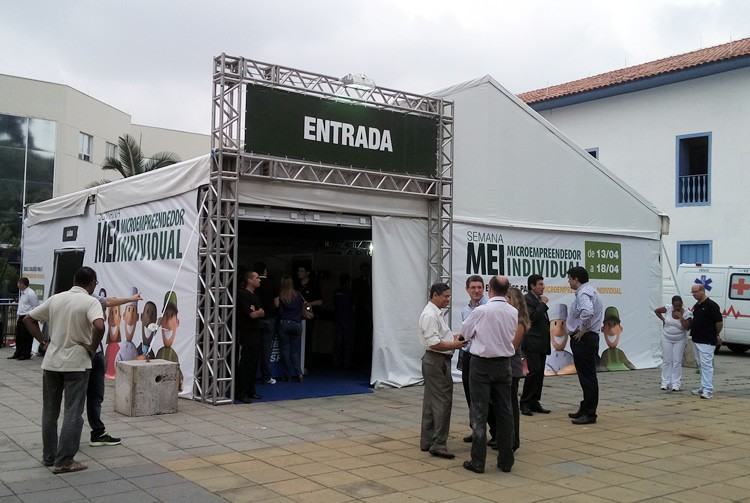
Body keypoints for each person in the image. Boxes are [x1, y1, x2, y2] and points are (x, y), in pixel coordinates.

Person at [23, 267, 105, 474]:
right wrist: (93, 348)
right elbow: (100, 326)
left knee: (49, 412)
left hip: (51, 363)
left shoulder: (56, 299)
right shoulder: (91, 301)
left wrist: (43, 342)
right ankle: (65, 460)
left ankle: (49, 456)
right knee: (73, 412)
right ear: (92, 282)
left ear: (75, 280)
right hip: (77, 363)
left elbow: (28, 319)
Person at [461, 276, 520, 474]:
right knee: (505, 411)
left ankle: (478, 461)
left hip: (481, 364)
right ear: (507, 290)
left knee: (479, 412)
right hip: (504, 364)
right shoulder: (513, 311)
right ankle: (506, 460)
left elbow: (465, 333)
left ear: (489, 289)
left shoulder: (481, 311)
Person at [418, 282, 465, 460]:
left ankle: (428, 440)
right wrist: (455, 344)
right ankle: (439, 444)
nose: (448, 299)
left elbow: (438, 338)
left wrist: (453, 338)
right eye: (445, 296)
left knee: (431, 402)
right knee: (443, 402)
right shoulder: (430, 315)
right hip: (437, 361)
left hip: (434, 361)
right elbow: (434, 343)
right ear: (435, 295)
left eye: (449, 296)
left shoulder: (434, 313)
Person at [87, 291, 140, 448]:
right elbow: (109, 303)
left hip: (94, 353)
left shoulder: (87, 298)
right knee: (80, 399)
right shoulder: (87, 300)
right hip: (86, 354)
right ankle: (70, 440)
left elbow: (110, 301)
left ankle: (97, 432)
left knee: (95, 396)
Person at [566, 266, 604, 425]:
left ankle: (589, 413)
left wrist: (582, 329)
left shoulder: (583, 293)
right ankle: (585, 407)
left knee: (587, 377)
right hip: (588, 338)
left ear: (576, 279)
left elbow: (587, 311)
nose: (568, 281)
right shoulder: (590, 290)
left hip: (585, 339)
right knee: (586, 376)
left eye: (569, 278)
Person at [459, 275, 491, 445]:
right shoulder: (465, 310)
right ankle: (476, 430)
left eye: (479, 287)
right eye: (473, 288)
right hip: (469, 355)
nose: (477, 291)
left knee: (487, 397)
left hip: (484, 357)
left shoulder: (489, 308)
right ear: (467, 290)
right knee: (469, 395)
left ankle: (494, 432)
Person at [684, 284, 723, 399]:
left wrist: (716, 334)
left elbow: (719, 323)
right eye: (692, 292)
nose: (694, 295)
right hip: (697, 338)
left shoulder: (712, 305)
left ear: (702, 291)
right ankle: (702, 386)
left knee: (706, 365)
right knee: (700, 365)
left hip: (707, 340)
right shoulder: (697, 305)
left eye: (695, 292)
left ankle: (708, 390)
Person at [520, 274, 551, 416]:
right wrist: (543, 305)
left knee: (539, 374)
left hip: (542, 343)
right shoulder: (527, 299)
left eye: (542, 284)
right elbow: (531, 318)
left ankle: (534, 401)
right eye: (540, 284)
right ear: (532, 286)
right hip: (532, 342)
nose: (542, 287)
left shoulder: (537, 300)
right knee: (533, 372)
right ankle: (525, 402)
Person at [506, 287, 530, 452]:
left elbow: (513, 347)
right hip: (507, 365)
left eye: (507, 298)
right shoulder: (510, 318)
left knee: (511, 403)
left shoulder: (519, 321)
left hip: (512, 366)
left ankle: (514, 439)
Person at [235, 270, 264, 403]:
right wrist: (257, 312)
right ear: (249, 280)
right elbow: (252, 314)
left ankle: (251, 390)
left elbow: (261, 312)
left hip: (256, 331)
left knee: (254, 362)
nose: (260, 280)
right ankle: (242, 392)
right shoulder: (243, 294)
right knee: (246, 362)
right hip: (247, 332)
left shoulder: (255, 295)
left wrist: (257, 312)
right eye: (257, 278)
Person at [655, 296, 689, 391]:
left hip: (680, 339)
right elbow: (656, 311)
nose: (677, 307)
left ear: (682, 304)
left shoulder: (686, 312)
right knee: (667, 360)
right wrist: (663, 319)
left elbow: (687, 327)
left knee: (677, 361)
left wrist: (681, 317)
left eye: (679, 305)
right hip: (666, 338)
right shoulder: (668, 308)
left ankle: (676, 383)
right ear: (672, 304)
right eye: (675, 305)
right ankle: (665, 382)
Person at [277, 275, 305, 382]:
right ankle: (299, 373)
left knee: (285, 350)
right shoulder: (298, 295)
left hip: (285, 323)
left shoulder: (281, 296)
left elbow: (280, 312)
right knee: (295, 351)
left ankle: (287, 374)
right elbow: (303, 307)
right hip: (297, 324)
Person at [254, 262, 278, 385]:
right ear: (265, 271)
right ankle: (266, 376)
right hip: (269, 318)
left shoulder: (253, 286)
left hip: (256, 320)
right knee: (266, 350)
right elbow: (277, 303)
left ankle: (252, 375)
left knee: (253, 349)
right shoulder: (272, 284)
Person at [297, 264, 322, 369]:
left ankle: (306, 365)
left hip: (308, 317)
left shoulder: (314, 285)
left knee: (307, 340)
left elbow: (320, 301)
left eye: (302, 271)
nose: (299, 273)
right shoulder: (296, 285)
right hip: (296, 316)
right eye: (298, 271)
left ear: (307, 273)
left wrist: (309, 304)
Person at [10, 277, 39, 360]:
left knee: (26, 336)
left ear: (23, 284)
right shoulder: (22, 293)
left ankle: (26, 354)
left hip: (27, 316)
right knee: (19, 336)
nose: (18, 285)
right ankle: (18, 353)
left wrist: (32, 317)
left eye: (19, 283)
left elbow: (35, 306)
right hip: (21, 316)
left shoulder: (31, 293)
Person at [598, 306, 635, 371]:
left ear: (620, 329)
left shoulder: (620, 353)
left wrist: (630, 366)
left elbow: (628, 364)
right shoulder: (605, 354)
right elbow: (601, 367)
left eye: (614, 324)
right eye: (608, 325)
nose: (611, 330)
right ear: (602, 329)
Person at [545, 303, 576, 376]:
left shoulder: (570, 357)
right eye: (555, 324)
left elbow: (575, 367)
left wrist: (565, 371)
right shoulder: (547, 356)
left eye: (563, 324)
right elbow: (543, 367)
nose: (559, 330)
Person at [334, 274, 355, 369]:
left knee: (338, 342)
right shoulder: (350, 293)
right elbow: (353, 307)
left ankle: (337, 362)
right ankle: (346, 363)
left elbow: (334, 304)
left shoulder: (336, 292)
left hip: (339, 318)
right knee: (347, 342)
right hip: (347, 319)